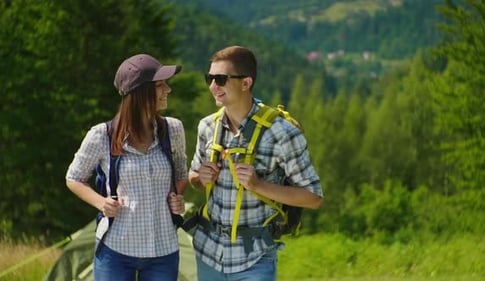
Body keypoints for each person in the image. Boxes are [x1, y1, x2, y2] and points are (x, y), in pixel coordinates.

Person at [188, 45, 324, 281]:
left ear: (246, 83)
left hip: (255, 258)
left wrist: (258, 185)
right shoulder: (207, 126)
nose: (213, 86)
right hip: (208, 254)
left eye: (220, 79)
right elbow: (193, 180)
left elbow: (313, 198)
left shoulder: (282, 133)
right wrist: (200, 179)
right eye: (209, 78)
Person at [65, 54, 187, 281]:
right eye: (160, 85)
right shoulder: (102, 135)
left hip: (164, 250)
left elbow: (181, 173)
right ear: (140, 93)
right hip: (116, 250)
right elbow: (73, 178)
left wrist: (178, 196)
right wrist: (101, 203)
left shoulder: (173, 130)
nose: (168, 90)